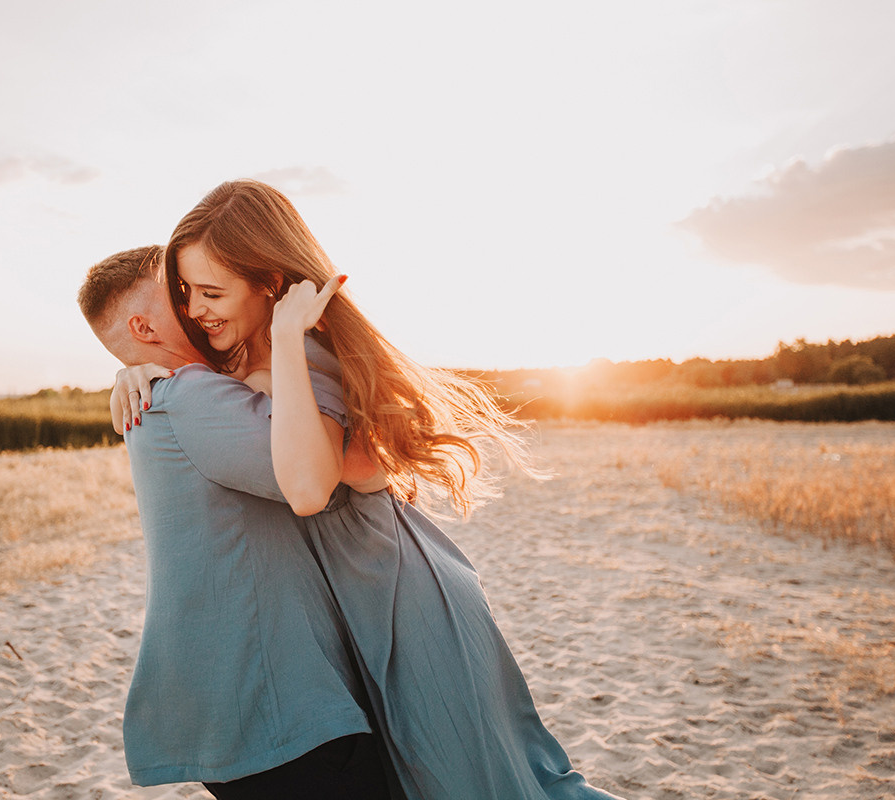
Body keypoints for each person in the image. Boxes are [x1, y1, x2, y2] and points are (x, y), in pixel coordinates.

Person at [113, 180, 626, 799]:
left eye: (212, 292)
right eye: (186, 292)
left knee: (497, 786)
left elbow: (309, 486)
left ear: (271, 285)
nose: (195, 310)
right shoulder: (250, 357)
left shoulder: (308, 355)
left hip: (404, 602)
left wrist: (284, 343)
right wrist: (136, 368)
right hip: (366, 597)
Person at [77, 246, 394, 800]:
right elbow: (348, 472)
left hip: (230, 710)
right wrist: (289, 352)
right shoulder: (192, 397)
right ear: (142, 326)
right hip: (278, 708)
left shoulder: (162, 397)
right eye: (180, 293)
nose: (197, 305)